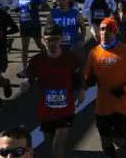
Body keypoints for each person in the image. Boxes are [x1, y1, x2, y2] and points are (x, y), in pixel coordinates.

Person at [85, 17, 126, 158]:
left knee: (119, 140)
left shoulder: (125, 52)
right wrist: (87, 81)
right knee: (105, 142)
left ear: (115, 32)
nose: (104, 33)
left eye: (108, 30)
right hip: (102, 105)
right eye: (102, 30)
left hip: (121, 104)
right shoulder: (94, 53)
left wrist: (124, 90)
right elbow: (88, 74)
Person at [21, 24, 82, 158]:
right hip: (46, 109)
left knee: (59, 141)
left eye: (55, 39)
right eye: (48, 39)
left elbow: (78, 77)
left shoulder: (71, 59)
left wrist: (81, 90)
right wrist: (25, 84)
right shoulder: (37, 60)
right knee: (50, 142)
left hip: (66, 108)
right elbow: (28, 78)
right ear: (44, 39)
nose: (51, 43)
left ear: (61, 39)